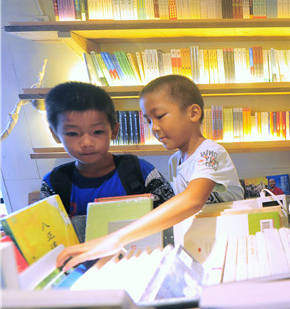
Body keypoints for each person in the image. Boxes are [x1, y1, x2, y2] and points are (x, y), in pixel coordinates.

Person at [57, 75, 244, 270]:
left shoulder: (210, 151)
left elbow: (193, 200)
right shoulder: (175, 161)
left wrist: (115, 239)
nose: (154, 128)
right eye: (148, 120)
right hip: (202, 244)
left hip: (233, 241)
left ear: (194, 113)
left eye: (160, 116)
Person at [40, 81, 174, 216]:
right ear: (55, 135)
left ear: (114, 131)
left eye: (97, 132)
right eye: (73, 133)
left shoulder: (140, 171)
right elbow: (47, 231)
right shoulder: (53, 184)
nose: (87, 143)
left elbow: (171, 215)